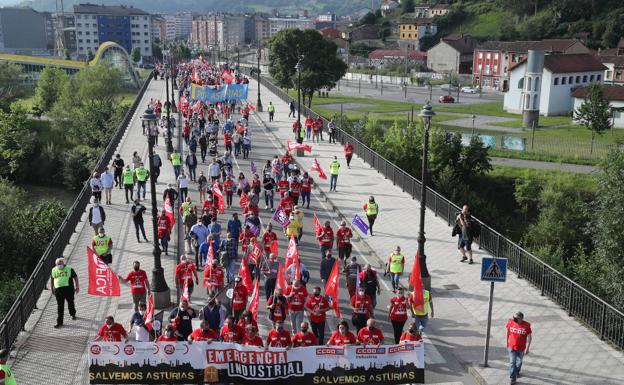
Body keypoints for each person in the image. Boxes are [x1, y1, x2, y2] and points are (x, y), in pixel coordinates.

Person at [50, 257, 78, 328]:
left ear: (63, 263)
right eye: (58, 264)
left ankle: (72, 314)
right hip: (58, 291)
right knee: (60, 306)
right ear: (56, 265)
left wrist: (77, 286)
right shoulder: (54, 270)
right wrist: (52, 288)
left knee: (70, 302)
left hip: (69, 289)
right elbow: (52, 279)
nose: (59, 265)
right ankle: (59, 322)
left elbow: (75, 277)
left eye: (60, 263)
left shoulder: (69, 269)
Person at [506, 312, 532, 385]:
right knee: (512, 362)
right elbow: (507, 332)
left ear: (521, 319)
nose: (514, 319)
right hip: (511, 347)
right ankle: (512, 378)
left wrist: (528, 348)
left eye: (516, 318)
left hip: (521, 348)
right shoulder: (510, 322)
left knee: (519, 362)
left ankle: (517, 372)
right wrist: (507, 342)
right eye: (514, 317)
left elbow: (529, 337)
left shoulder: (526, 325)